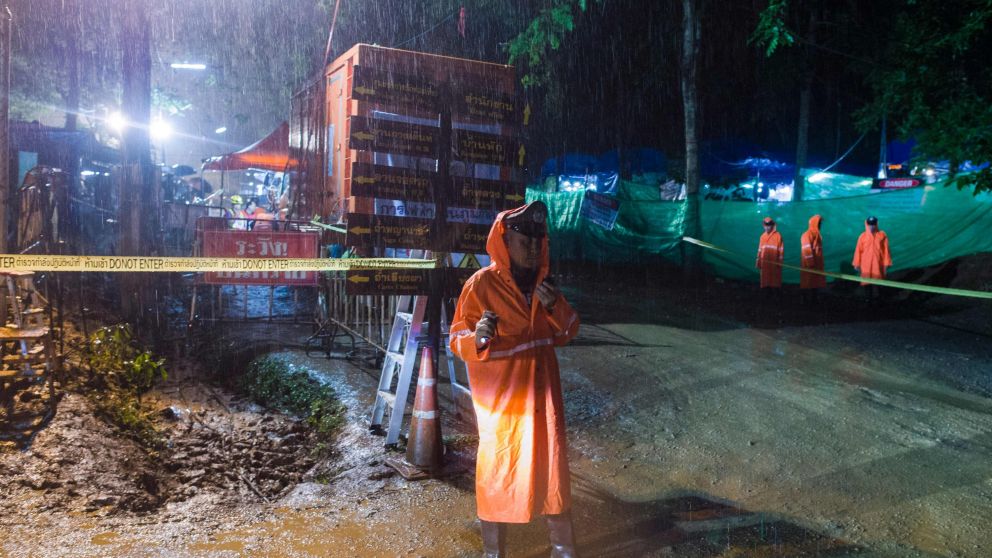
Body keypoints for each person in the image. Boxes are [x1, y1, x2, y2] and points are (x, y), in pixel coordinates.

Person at [450, 201, 580, 558]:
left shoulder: (544, 286)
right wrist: (477, 338)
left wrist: (555, 307)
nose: (534, 247)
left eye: (539, 240)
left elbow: (568, 331)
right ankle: (495, 552)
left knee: (551, 470)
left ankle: (563, 548)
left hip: (544, 401)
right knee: (500, 471)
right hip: (503, 407)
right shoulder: (481, 286)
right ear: (504, 243)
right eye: (525, 240)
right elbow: (456, 339)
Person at [852, 215, 891, 303]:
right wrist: (856, 264)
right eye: (870, 224)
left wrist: (886, 264)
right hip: (866, 265)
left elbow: (886, 251)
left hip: (878, 264)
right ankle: (868, 300)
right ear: (866, 224)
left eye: (873, 224)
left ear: (876, 224)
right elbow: (858, 251)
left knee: (879, 283)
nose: (871, 226)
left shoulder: (882, 235)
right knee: (867, 284)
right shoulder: (862, 236)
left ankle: (881, 300)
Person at [800, 214, 826, 302]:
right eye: (819, 223)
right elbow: (806, 250)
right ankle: (804, 299)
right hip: (809, 266)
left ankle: (813, 299)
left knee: (814, 283)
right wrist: (811, 263)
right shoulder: (806, 235)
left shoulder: (818, 236)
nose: (820, 225)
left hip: (816, 265)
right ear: (814, 223)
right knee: (807, 283)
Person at [755, 217, 784, 292]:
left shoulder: (778, 236)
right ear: (763, 226)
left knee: (774, 281)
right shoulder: (762, 237)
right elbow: (760, 250)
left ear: (772, 225)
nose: (767, 227)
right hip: (764, 263)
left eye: (769, 225)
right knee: (765, 281)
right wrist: (758, 262)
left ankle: (775, 296)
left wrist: (779, 263)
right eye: (765, 225)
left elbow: (781, 250)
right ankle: (766, 296)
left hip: (774, 263)